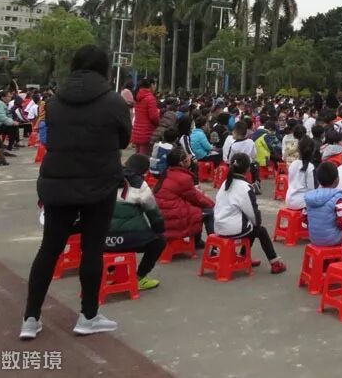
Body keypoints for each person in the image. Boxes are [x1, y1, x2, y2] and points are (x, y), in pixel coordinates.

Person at [22, 45, 131, 340]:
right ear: (104, 68)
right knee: (92, 249)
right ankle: (88, 316)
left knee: (49, 249)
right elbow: (124, 139)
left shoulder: (55, 101)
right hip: (99, 182)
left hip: (57, 180)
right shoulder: (113, 101)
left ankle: (30, 318)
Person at [213, 153, 286, 273]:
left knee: (250, 226)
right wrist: (257, 221)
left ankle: (244, 256)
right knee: (259, 230)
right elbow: (253, 215)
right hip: (232, 229)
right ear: (248, 169)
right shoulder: (245, 187)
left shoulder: (225, 183)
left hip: (219, 226)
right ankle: (275, 262)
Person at [105, 154, 167, 291]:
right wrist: (159, 230)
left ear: (126, 163)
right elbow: (153, 213)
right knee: (159, 241)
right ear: (144, 171)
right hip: (130, 240)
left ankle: (111, 271)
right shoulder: (139, 184)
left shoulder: (105, 178)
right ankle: (139, 278)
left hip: (102, 241)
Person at [153, 148, 215, 248]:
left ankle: (197, 241)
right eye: (187, 157)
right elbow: (197, 198)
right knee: (208, 211)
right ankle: (214, 245)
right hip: (172, 216)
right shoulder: (184, 178)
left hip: (164, 212)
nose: (190, 158)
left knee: (196, 208)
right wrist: (212, 203)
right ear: (182, 163)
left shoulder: (167, 172)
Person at [304, 161, 342, 247]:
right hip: (334, 239)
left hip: (313, 238)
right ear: (337, 180)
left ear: (318, 180)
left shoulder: (310, 196)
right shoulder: (338, 198)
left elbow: (305, 218)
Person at [285, 137, 317, 210]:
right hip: (301, 203)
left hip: (289, 200)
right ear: (313, 151)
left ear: (298, 150)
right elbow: (311, 191)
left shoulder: (293, 164)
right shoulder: (310, 167)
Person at [131, 78, 160, 156]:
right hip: (147, 132)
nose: (155, 87)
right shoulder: (150, 98)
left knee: (138, 156)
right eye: (155, 84)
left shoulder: (137, 97)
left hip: (137, 131)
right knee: (144, 157)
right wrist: (158, 124)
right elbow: (154, 117)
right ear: (151, 85)